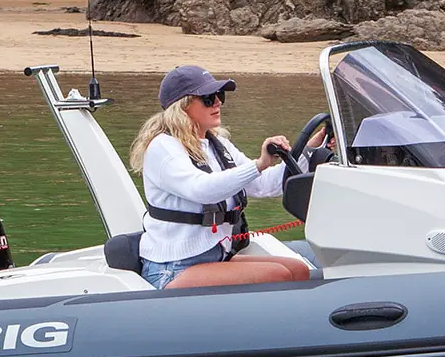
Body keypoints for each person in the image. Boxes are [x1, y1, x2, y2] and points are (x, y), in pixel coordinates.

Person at [129, 65, 316, 289]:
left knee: (298, 270)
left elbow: (265, 185)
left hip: (213, 256)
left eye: (220, 95)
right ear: (182, 106)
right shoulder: (163, 148)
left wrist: (310, 151)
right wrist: (260, 163)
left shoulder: (217, 145)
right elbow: (201, 190)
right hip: (172, 268)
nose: (218, 102)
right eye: (208, 98)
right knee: (279, 275)